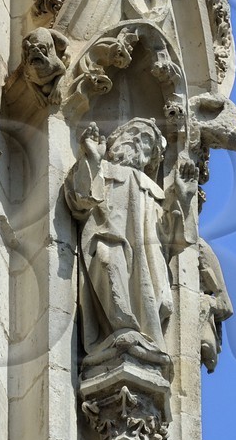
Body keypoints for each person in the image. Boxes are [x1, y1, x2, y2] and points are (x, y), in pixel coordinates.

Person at [64, 119, 195, 366]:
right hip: (106, 239)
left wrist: (182, 199)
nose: (136, 140)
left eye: (146, 140)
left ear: (151, 157)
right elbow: (79, 201)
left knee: (145, 290)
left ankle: (140, 341)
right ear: (116, 139)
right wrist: (92, 157)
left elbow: (170, 238)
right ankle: (119, 330)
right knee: (106, 264)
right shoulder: (102, 169)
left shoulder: (152, 189)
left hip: (146, 259)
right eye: (133, 133)